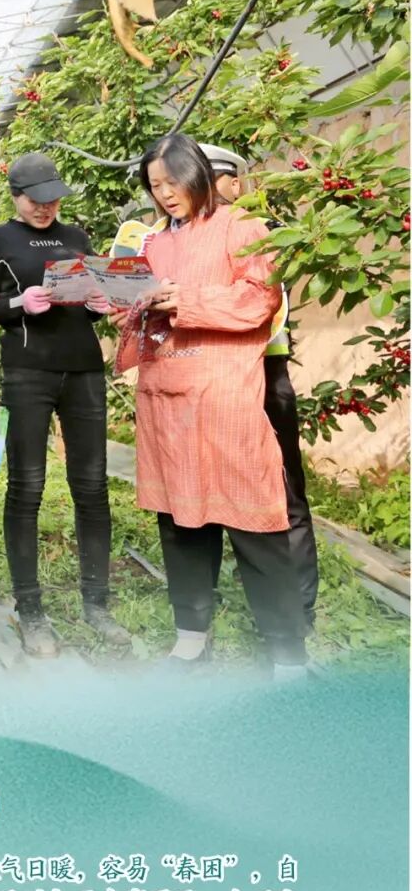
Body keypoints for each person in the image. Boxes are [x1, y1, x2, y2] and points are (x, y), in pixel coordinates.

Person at [109, 131, 308, 674]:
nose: (165, 194)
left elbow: (260, 298)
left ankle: (287, 653)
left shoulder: (242, 228)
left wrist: (186, 299)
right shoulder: (152, 243)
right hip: (166, 398)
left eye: (172, 182)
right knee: (180, 520)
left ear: (197, 174)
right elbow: (134, 314)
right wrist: (121, 302)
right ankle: (190, 640)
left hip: (224, 398)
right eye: (155, 186)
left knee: (255, 523)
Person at [0, 152, 129, 656]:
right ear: (15, 195)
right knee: (27, 487)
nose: (45, 208)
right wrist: (20, 303)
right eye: (36, 201)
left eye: (53, 200)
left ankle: (97, 604)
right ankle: (31, 609)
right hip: (28, 372)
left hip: (83, 371)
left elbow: (93, 295)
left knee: (92, 486)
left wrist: (99, 306)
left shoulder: (76, 237)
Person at [200, 143, 319, 626]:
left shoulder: (257, 233)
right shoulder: (183, 239)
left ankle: (299, 608)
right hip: (212, 380)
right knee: (205, 489)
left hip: (264, 376)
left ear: (236, 184)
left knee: (283, 490)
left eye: (212, 183)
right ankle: (205, 603)